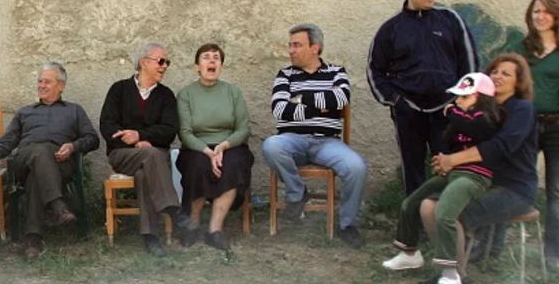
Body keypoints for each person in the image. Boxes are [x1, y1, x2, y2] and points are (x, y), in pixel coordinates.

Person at [420, 54, 539, 284]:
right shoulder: (482, 108)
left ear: (519, 82)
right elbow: (458, 138)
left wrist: (454, 161)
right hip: (478, 180)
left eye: (506, 73)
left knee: (453, 213)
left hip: (513, 188)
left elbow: (501, 146)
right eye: (494, 71)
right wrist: (445, 160)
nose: (497, 76)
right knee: (428, 207)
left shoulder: (521, 109)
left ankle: (457, 281)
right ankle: (451, 273)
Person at [382, 72, 502, 284]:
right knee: (411, 202)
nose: (457, 102)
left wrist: (450, 112)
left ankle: (450, 276)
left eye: (463, 97)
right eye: (457, 98)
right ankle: (409, 252)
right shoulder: (462, 118)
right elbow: (450, 137)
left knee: (444, 213)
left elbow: (470, 124)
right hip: (453, 173)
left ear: (479, 97)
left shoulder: (486, 119)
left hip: (475, 177)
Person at [368, 0, 478, 195]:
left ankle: (445, 224)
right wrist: (396, 101)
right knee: (413, 171)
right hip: (408, 112)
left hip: (447, 111)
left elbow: (469, 64)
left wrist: (460, 102)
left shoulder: (451, 20)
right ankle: (413, 226)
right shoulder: (391, 29)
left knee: (448, 168)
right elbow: (374, 70)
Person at [260, 23, 369, 248]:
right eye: (290, 45)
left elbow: (340, 100)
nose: (291, 50)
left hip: (327, 143)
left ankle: (347, 224)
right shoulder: (285, 75)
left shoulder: (336, 73)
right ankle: (297, 193)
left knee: (356, 167)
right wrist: (320, 104)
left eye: (297, 45)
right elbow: (280, 110)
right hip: (291, 141)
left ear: (315, 48)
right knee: (271, 146)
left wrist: (299, 99)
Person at [0, 62, 100, 259]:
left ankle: (32, 240)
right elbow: (7, 142)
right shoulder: (25, 112)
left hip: (61, 164)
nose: (41, 85)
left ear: (61, 85)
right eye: (39, 81)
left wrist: (72, 147)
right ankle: (58, 206)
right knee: (40, 152)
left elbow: (93, 139)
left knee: (37, 176)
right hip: (24, 160)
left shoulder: (74, 110)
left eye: (47, 82)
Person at [99, 42, 196, 256]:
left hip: (154, 156)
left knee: (145, 173)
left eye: (167, 63)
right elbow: (107, 125)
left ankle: (150, 236)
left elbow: (170, 130)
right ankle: (174, 211)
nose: (164, 66)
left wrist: (142, 136)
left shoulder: (166, 95)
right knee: (151, 155)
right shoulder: (119, 89)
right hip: (123, 154)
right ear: (144, 62)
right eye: (161, 61)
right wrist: (133, 140)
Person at [515, 0, 559, 267]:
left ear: (557, 15)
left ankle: (553, 254)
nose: (540, 16)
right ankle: (491, 246)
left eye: (546, 11)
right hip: (526, 125)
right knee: (512, 182)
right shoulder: (522, 47)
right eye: (536, 11)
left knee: (558, 190)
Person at [176, 44, 253, 251]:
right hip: (197, 147)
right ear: (197, 66)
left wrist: (223, 146)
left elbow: (243, 128)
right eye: (206, 57)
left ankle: (214, 230)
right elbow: (185, 132)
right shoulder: (186, 94)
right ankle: (193, 224)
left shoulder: (233, 92)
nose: (211, 61)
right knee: (198, 166)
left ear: (221, 65)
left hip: (229, 146)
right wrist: (209, 152)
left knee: (234, 164)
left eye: (216, 58)